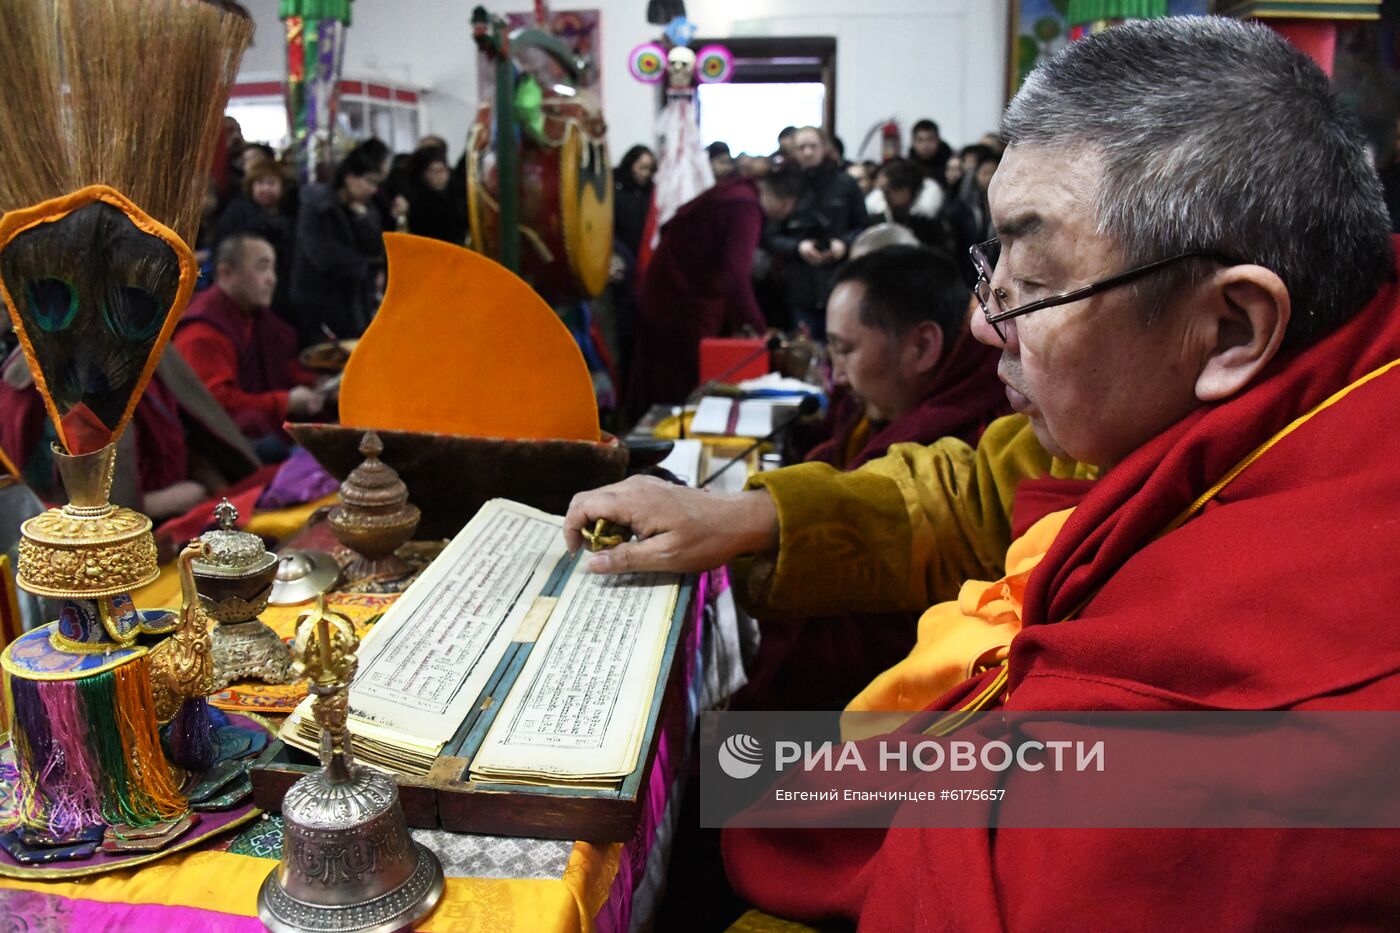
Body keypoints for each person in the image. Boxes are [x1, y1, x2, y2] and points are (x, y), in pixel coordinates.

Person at [565, 17, 1400, 928]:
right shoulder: (1244, 383)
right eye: (993, 264)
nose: (980, 324)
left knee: (714, 792)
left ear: (1232, 328)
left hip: (990, 786)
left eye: (1033, 284)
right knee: (708, 785)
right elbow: (983, 486)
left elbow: (997, 865)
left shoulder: (1269, 717)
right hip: (969, 751)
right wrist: (749, 519)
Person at [734, 246, 1008, 711]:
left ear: (922, 346)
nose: (836, 376)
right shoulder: (887, 405)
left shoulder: (981, 432)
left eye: (846, 350)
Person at [627, 167, 805, 421]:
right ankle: (668, 443)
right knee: (676, 382)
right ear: (787, 202)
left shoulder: (735, 192)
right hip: (682, 302)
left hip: (666, 290)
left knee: (656, 374)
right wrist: (758, 328)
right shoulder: (745, 206)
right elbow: (736, 275)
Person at [177, 234, 326, 459]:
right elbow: (216, 405)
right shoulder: (202, 333)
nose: (272, 279)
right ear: (226, 273)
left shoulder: (254, 316)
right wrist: (285, 402)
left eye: (273, 269)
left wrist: (319, 383)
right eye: (262, 268)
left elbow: (282, 367)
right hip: (231, 450)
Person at [764, 126, 869, 337]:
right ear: (794, 151)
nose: (808, 152)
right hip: (800, 285)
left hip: (839, 281)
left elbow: (864, 228)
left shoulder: (846, 184)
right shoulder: (787, 186)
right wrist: (798, 247)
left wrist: (844, 244)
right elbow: (769, 235)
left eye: (813, 146)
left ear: (824, 148)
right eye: (802, 147)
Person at [288, 146, 386, 343]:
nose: (373, 190)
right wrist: (365, 266)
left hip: (353, 300)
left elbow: (377, 246)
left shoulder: (367, 208)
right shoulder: (317, 205)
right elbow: (320, 252)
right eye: (369, 182)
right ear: (350, 177)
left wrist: (363, 219)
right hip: (317, 298)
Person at [212, 160, 296, 317]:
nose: (265, 189)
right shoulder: (236, 213)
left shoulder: (292, 214)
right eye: (259, 183)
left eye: (271, 183)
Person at [868, 158, 946, 249]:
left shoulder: (928, 219)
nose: (886, 197)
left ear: (906, 190)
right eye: (884, 192)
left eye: (889, 191)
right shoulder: (880, 217)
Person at [404, 145, 467, 244]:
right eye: (433, 172)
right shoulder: (417, 200)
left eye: (442, 170)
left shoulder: (457, 193)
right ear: (423, 174)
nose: (440, 176)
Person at [613, 145, 656, 262]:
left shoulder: (651, 191)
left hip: (641, 256)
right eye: (642, 168)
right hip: (616, 254)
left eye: (649, 169)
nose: (646, 173)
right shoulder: (613, 184)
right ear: (630, 164)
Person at [908, 117, 953, 186]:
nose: (925, 145)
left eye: (930, 140)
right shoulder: (908, 168)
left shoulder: (950, 165)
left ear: (938, 140)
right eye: (920, 140)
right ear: (913, 142)